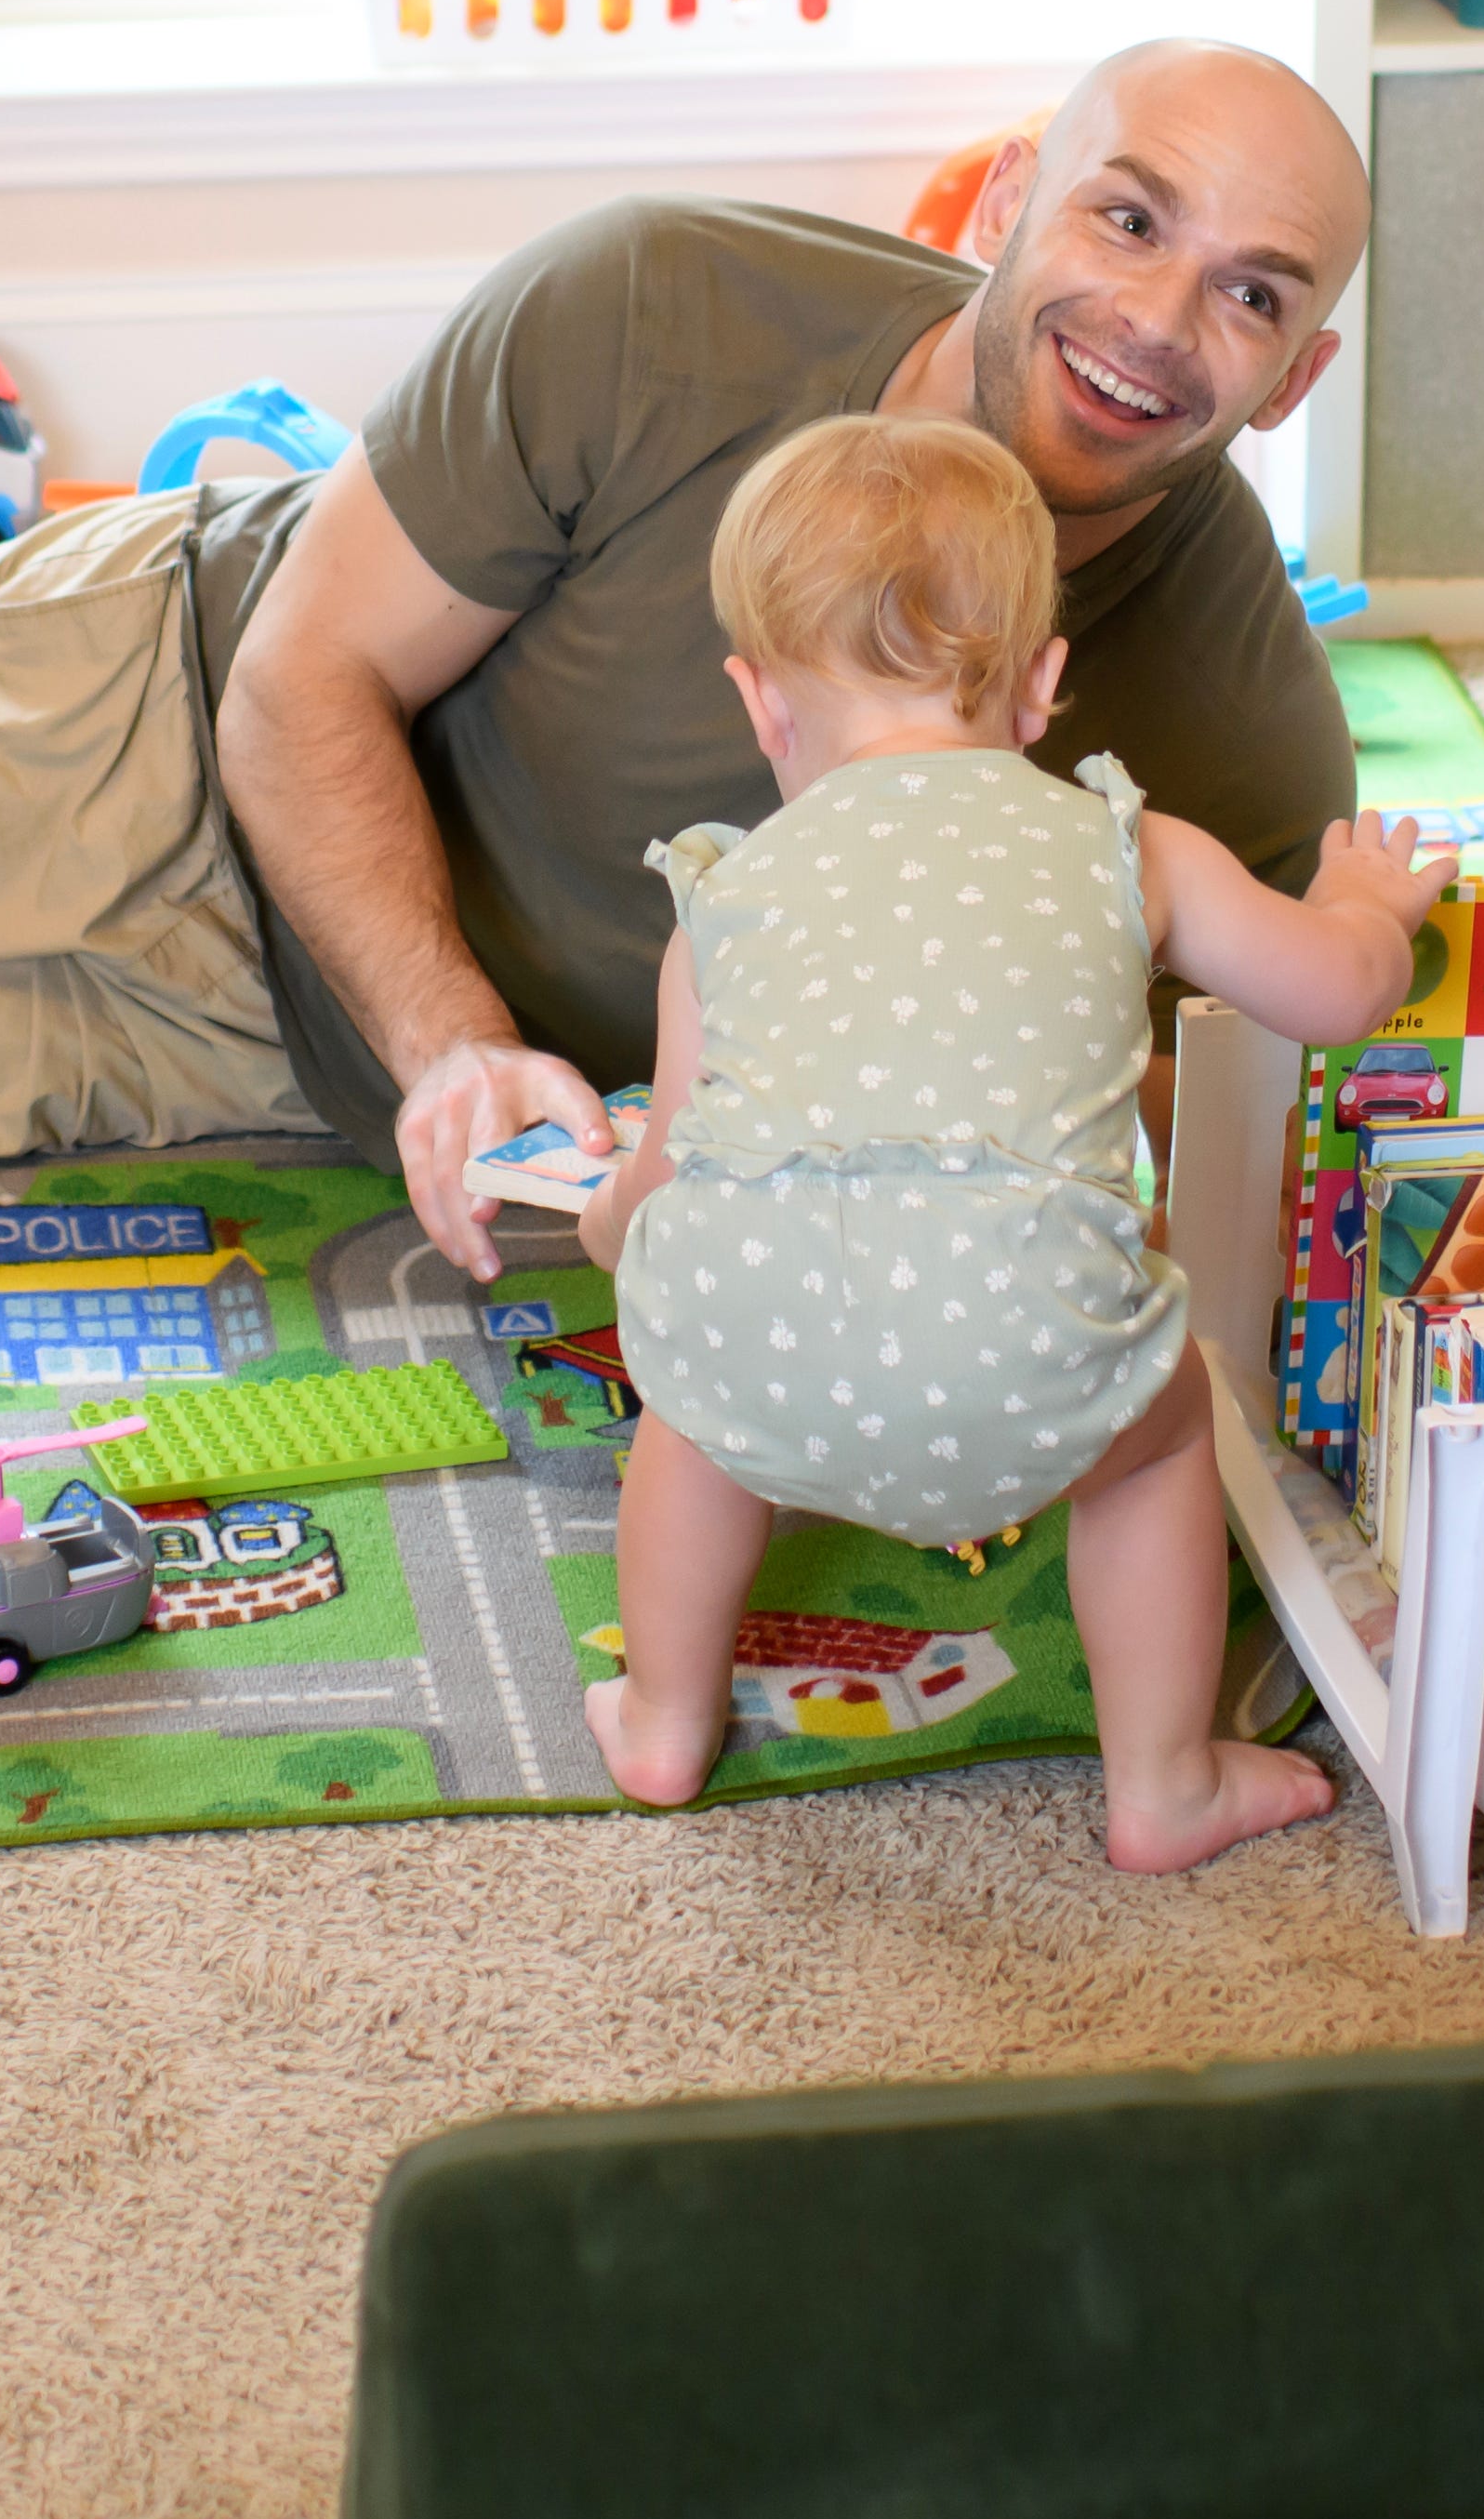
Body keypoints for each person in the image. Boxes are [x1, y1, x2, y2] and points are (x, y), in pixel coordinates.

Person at [0, 41, 1375, 1261]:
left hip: (264, 1044)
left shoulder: (1234, 711)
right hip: (146, 703)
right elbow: (306, 680)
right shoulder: (659, 305)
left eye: (1255, 291)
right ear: (1005, 206)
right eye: (1127, 213)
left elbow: (1193, 1091)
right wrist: (451, 1039)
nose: (1161, 320)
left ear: (1298, 376)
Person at [577, 414, 1440, 1874]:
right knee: (1165, 1435)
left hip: (764, 1365)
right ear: (1042, 686)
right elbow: (1340, 993)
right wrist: (1370, 902)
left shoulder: (721, 898)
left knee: (688, 1394)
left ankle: (664, 1717)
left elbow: (666, 1168)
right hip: (1033, 1360)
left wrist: (610, 1233)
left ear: (760, 705)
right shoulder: (1128, 843)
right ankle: (1163, 1782)